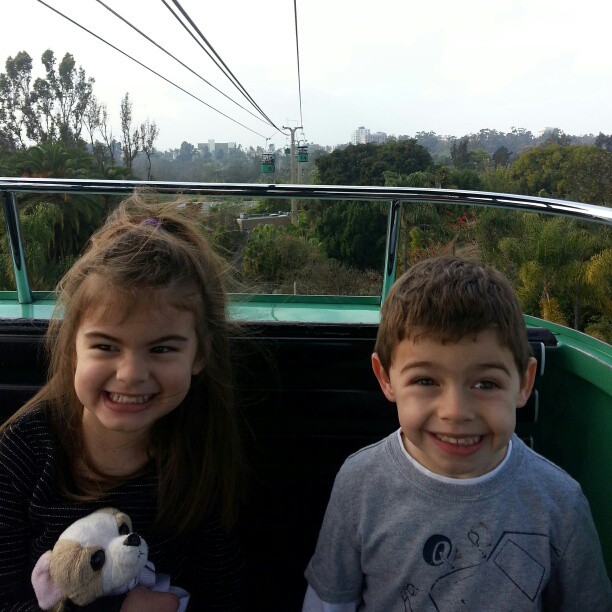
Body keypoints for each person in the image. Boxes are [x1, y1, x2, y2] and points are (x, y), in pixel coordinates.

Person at [303, 256, 611, 611]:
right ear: (386, 378)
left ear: (524, 383)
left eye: (486, 383)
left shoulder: (561, 504)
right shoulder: (359, 485)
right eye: (426, 381)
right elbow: (329, 602)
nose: (456, 412)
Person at [0, 195, 245, 611]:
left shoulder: (201, 448)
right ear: (73, 346)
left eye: (163, 349)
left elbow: (222, 593)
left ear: (199, 356)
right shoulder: (22, 451)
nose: (131, 373)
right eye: (106, 345)